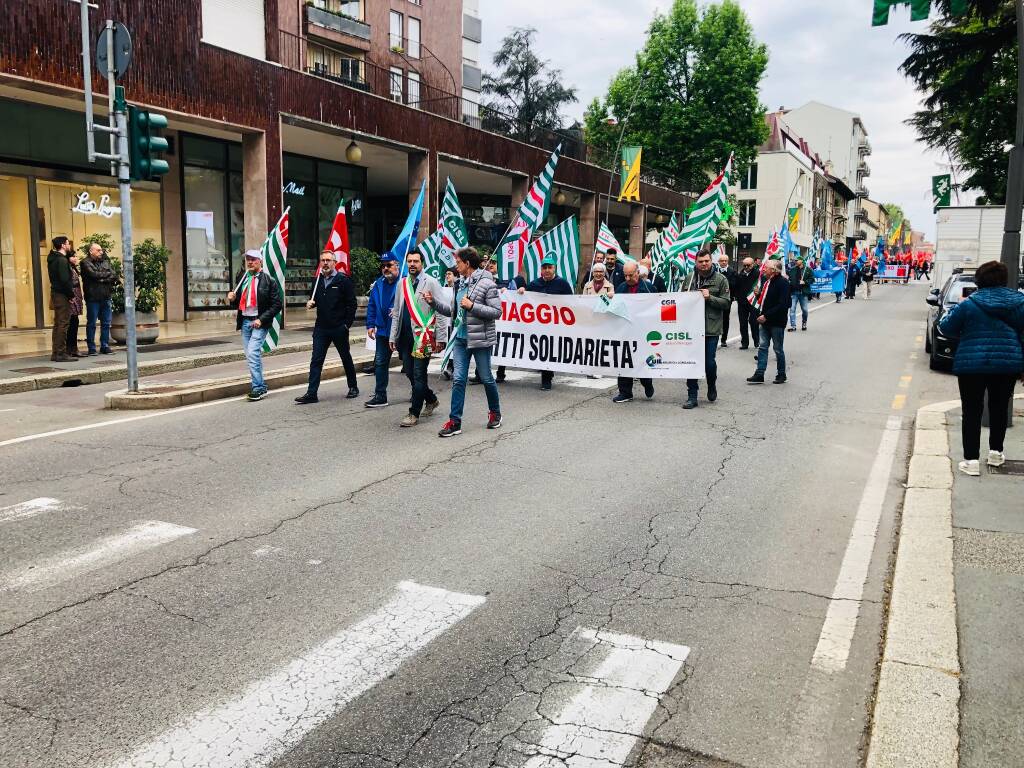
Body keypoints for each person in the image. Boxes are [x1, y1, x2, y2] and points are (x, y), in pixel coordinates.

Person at [938, 261, 1024, 475]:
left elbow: (946, 327)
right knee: (999, 408)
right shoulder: (1020, 303)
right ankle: (996, 452)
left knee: (972, 411)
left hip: (972, 364)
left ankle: (971, 460)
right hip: (1007, 364)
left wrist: (966, 332)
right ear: (1004, 279)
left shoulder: (969, 304)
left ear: (979, 280)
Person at [425, 247, 502, 437]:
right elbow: (453, 312)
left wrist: (473, 306)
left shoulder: (487, 284)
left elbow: (496, 312)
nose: (455, 266)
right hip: (460, 339)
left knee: (486, 378)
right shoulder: (458, 284)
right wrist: (433, 302)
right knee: (459, 379)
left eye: (458, 262)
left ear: (467, 263)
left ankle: (495, 413)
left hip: (480, 340)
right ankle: (455, 421)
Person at [388, 250, 449, 426]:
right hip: (405, 337)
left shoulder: (431, 282)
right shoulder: (402, 284)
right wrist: (393, 336)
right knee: (409, 372)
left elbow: (442, 310)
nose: (412, 264)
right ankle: (430, 399)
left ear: (422, 262)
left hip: (423, 338)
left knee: (419, 374)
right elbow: (397, 312)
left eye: (416, 261)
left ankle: (413, 413)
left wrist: (441, 338)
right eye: (409, 261)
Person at [294, 251, 359, 404]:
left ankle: (353, 387)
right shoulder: (317, 281)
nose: (325, 263)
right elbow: (314, 300)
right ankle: (311, 393)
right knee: (316, 360)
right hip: (321, 328)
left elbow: (352, 304)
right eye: (322, 260)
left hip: (338, 327)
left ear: (334, 262)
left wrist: (346, 325)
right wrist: (310, 304)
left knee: (345, 357)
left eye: (328, 260)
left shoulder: (343, 280)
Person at [227, 248, 283, 401]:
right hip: (245, 321)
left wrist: (261, 319)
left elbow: (277, 305)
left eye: (253, 259)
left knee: (252, 353)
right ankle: (261, 386)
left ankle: (258, 388)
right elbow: (239, 303)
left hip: (259, 322)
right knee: (252, 355)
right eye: (248, 259)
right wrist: (232, 298)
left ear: (260, 261)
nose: (250, 262)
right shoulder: (242, 278)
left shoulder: (268, 280)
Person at [683, 248, 730, 409]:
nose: (703, 264)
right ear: (696, 262)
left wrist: (709, 297)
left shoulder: (721, 279)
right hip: (691, 329)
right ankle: (692, 395)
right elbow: (680, 301)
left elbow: (726, 303)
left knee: (709, 363)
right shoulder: (690, 278)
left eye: (706, 261)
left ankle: (711, 385)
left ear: (711, 261)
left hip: (711, 327)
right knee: (691, 362)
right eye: (700, 261)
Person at [521, 255, 573, 391]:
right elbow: (524, 299)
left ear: (554, 268)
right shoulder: (534, 284)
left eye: (550, 267)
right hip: (538, 325)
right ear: (541, 270)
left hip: (556, 324)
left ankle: (547, 378)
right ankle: (545, 373)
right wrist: (521, 291)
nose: (547, 270)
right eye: (545, 267)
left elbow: (572, 302)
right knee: (542, 349)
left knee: (550, 350)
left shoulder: (562, 284)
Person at [612, 261, 656, 403]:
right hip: (625, 331)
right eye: (625, 275)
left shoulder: (648, 288)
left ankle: (647, 382)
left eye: (631, 275)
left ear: (638, 273)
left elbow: (656, 307)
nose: (628, 278)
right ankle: (625, 392)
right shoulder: (621, 288)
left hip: (643, 332)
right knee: (624, 361)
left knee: (641, 361)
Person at [364, 256, 402, 408]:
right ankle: (380, 395)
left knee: (410, 366)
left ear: (397, 266)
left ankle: (418, 393)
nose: (385, 268)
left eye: (389, 265)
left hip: (401, 331)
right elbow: (372, 305)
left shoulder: (404, 283)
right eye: (383, 265)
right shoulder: (378, 284)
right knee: (380, 363)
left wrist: (399, 311)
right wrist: (370, 324)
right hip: (383, 331)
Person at [747, 259, 791, 385]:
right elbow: (766, 300)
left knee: (778, 349)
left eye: (766, 267)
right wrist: (758, 295)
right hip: (765, 321)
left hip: (777, 322)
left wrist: (766, 315)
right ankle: (759, 374)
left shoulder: (783, 283)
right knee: (762, 347)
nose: (763, 269)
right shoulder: (767, 282)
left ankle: (781, 374)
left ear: (774, 270)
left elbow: (783, 305)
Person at [485, 255, 523, 383]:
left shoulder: (511, 279)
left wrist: (509, 292)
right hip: (489, 318)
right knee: (485, 345)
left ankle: (501, 371)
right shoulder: (485, 279)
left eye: (494, 262)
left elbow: (516, 296)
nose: (491, 264)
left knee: (503, 343)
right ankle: (481, 373)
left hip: (505, 320)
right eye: (490, 262)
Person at [80, 242, 117, 355]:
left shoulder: (105, 262)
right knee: (92, 323)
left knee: (106, 323)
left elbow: (114, 275)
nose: (101, 252)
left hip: (106, 296)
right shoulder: (85, 262)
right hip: (93, 297)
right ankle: (91, 348)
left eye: (101, 250)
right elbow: (93, 275)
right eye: (98, 250)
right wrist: (106, 275)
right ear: (91, 251)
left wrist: (102, 278)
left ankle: (104, 346)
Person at [47, 236, 76, 362]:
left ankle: (56, 352)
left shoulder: (54, 259)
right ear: (63, 245)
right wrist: (70, 295)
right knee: (63, 323)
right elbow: (65, 280)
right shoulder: (62, 261)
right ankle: (60, 353)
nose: (69, 245)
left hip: (56, 293)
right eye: (68, 243)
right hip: (62, 294)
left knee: (58, 324)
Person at [735, 257, 760, 350]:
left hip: (754, 301)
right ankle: (744, 343)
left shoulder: (758, 274)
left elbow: (762, 286)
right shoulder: (740, 274)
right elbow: (736, 287)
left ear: (753, 264)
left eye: (748, 265)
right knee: (743, 323)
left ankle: (757, 342)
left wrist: (759, 292)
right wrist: (737, 297)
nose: (746, 267)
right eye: (744, 265)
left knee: (754, 322)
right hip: (742, 302)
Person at [787, 258, 813, 331]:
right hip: (794, 292)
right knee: (792, 309)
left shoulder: (808, 269)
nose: (796, 261)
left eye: (797, 260)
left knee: (805, 310)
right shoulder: (792, 269)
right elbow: (790, 279)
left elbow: (812, 279)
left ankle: (804, 323)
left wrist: (805, 282)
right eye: (795, 260)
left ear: (801, 261)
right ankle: (793, 326)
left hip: (803, 292)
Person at [717, 252, 738, 347]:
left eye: (725, 261)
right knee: (715, 318)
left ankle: (724, 339)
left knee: (725, 319)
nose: (724, 262)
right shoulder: (714, 271)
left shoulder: (732, 272)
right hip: (715, 299)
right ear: (718, 262)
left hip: (727, 299)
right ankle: (715, 337)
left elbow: (734, 285)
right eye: (722, 261)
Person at [66, 251, 84, 357]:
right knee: (72, 322)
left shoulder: (73, 267)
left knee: (74, 322)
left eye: (76, 256)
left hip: (76, 296)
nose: (75, 258)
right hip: (71, 297)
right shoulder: (67, 268)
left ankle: (73, 348)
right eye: (73, 256)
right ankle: (70, 348)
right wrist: (71, 296)